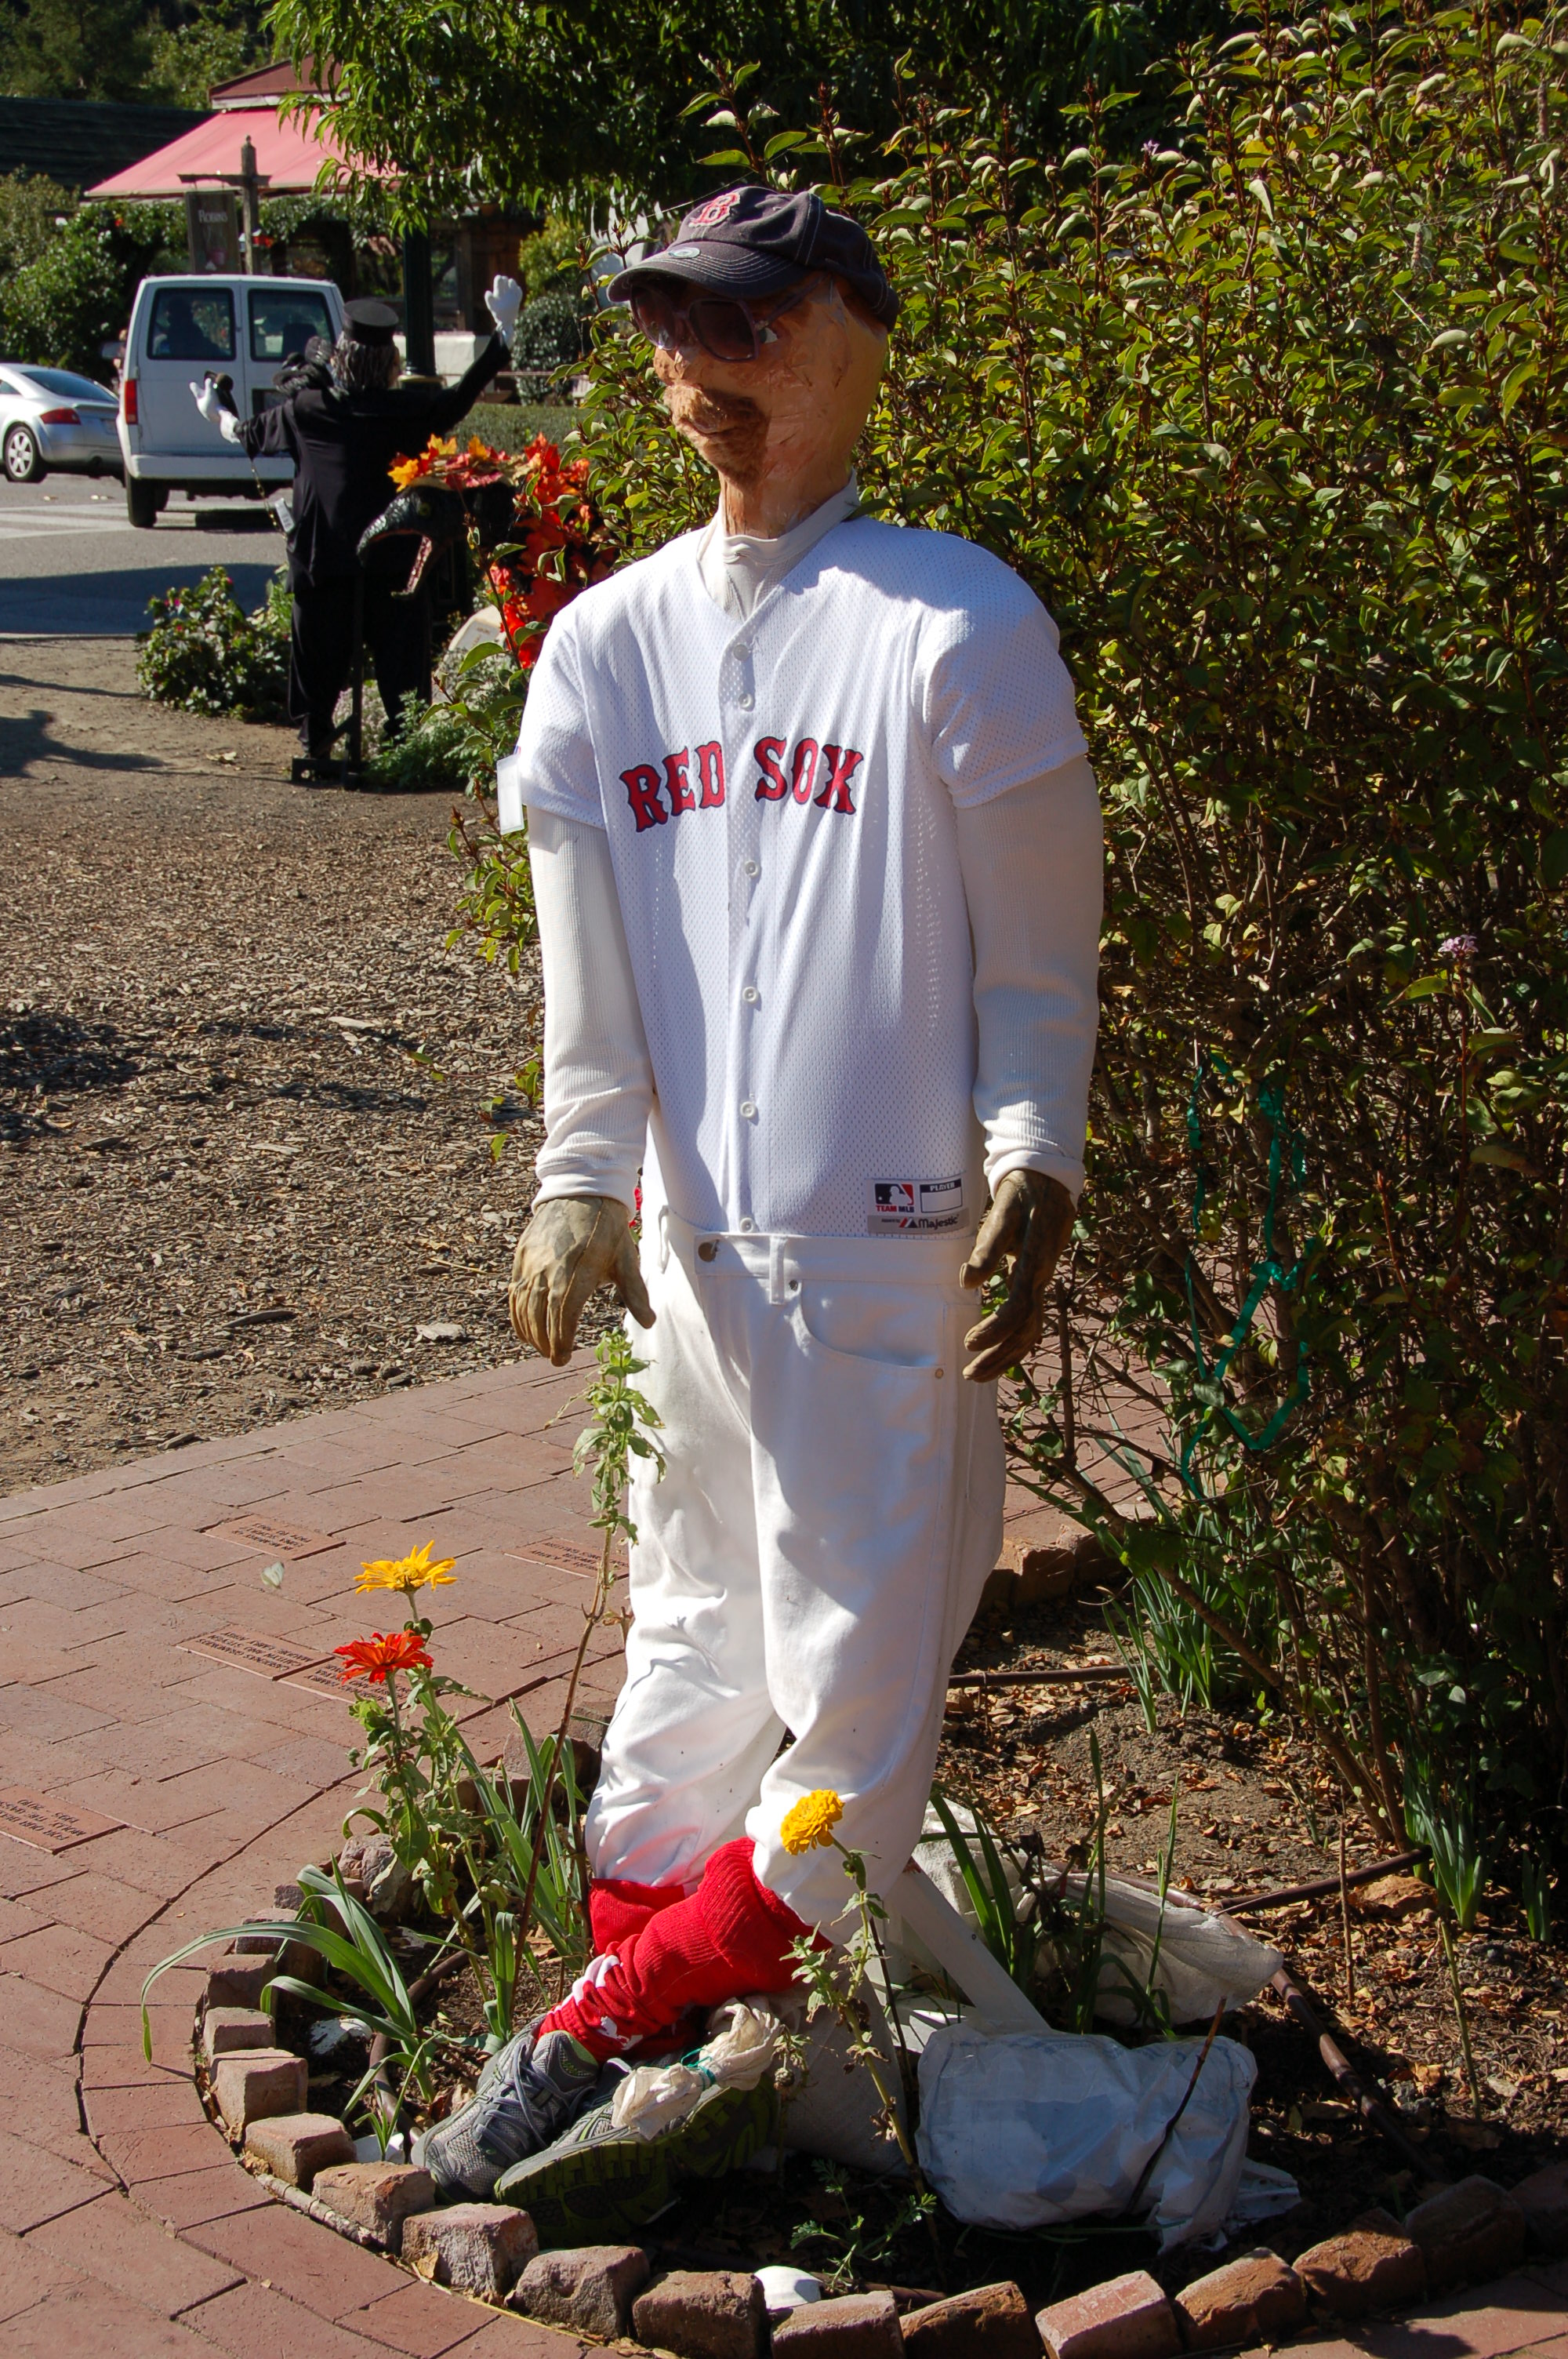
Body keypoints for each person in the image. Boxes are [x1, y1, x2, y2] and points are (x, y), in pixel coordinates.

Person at [423, 187, 1103, 2201]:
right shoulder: (603, 650)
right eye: (670, 331)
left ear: (852, 340)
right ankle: (670, 2050)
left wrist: (1035, 1153)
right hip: (690, 1278)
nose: (695, 372)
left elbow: (1036, 961)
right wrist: (576, 1179)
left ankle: (587, 2042)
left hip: (886, 1269)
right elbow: (588, 976)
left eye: (744, 326)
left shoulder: (955, 626)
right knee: (687, 1660)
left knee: (850, 1732)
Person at [191, 284, 523, 769]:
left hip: (323, 562)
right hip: (394, 563)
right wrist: (502, 333)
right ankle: (403, 744)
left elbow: (244, 434)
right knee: (403, 656)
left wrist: (217, 410)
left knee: (315, 650)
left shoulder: (309, 410)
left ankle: (317, 739)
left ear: (340, 357)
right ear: (390, 363)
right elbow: (461, 397)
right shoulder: (409, 410)